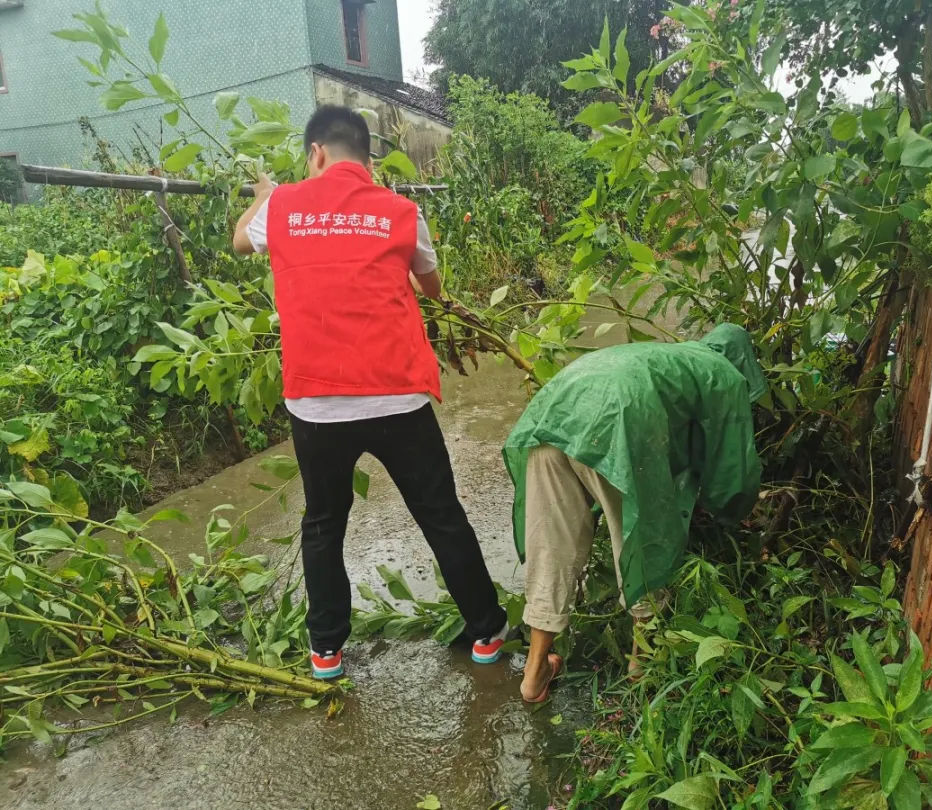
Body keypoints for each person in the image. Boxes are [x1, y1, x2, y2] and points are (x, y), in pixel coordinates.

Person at [233, 105, 510, 679]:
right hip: (397, 398)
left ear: (316, 153)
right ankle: (487, 631)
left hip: (316, 403)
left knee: (324, 523)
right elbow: (432, 286)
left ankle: (327, 650)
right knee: (440, 515)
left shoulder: (283, 206)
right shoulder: (401, 211)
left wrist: (266, 192)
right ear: (368, 157)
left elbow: (241, 241)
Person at [503, 324, 766, 701]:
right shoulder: (725, 375)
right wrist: (732, 518)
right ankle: (641, 665)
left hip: (553, 412)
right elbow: (732, 471)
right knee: (646, 536)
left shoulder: (671, 358)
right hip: (617, 422)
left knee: (551, 549)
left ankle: (534, 674)